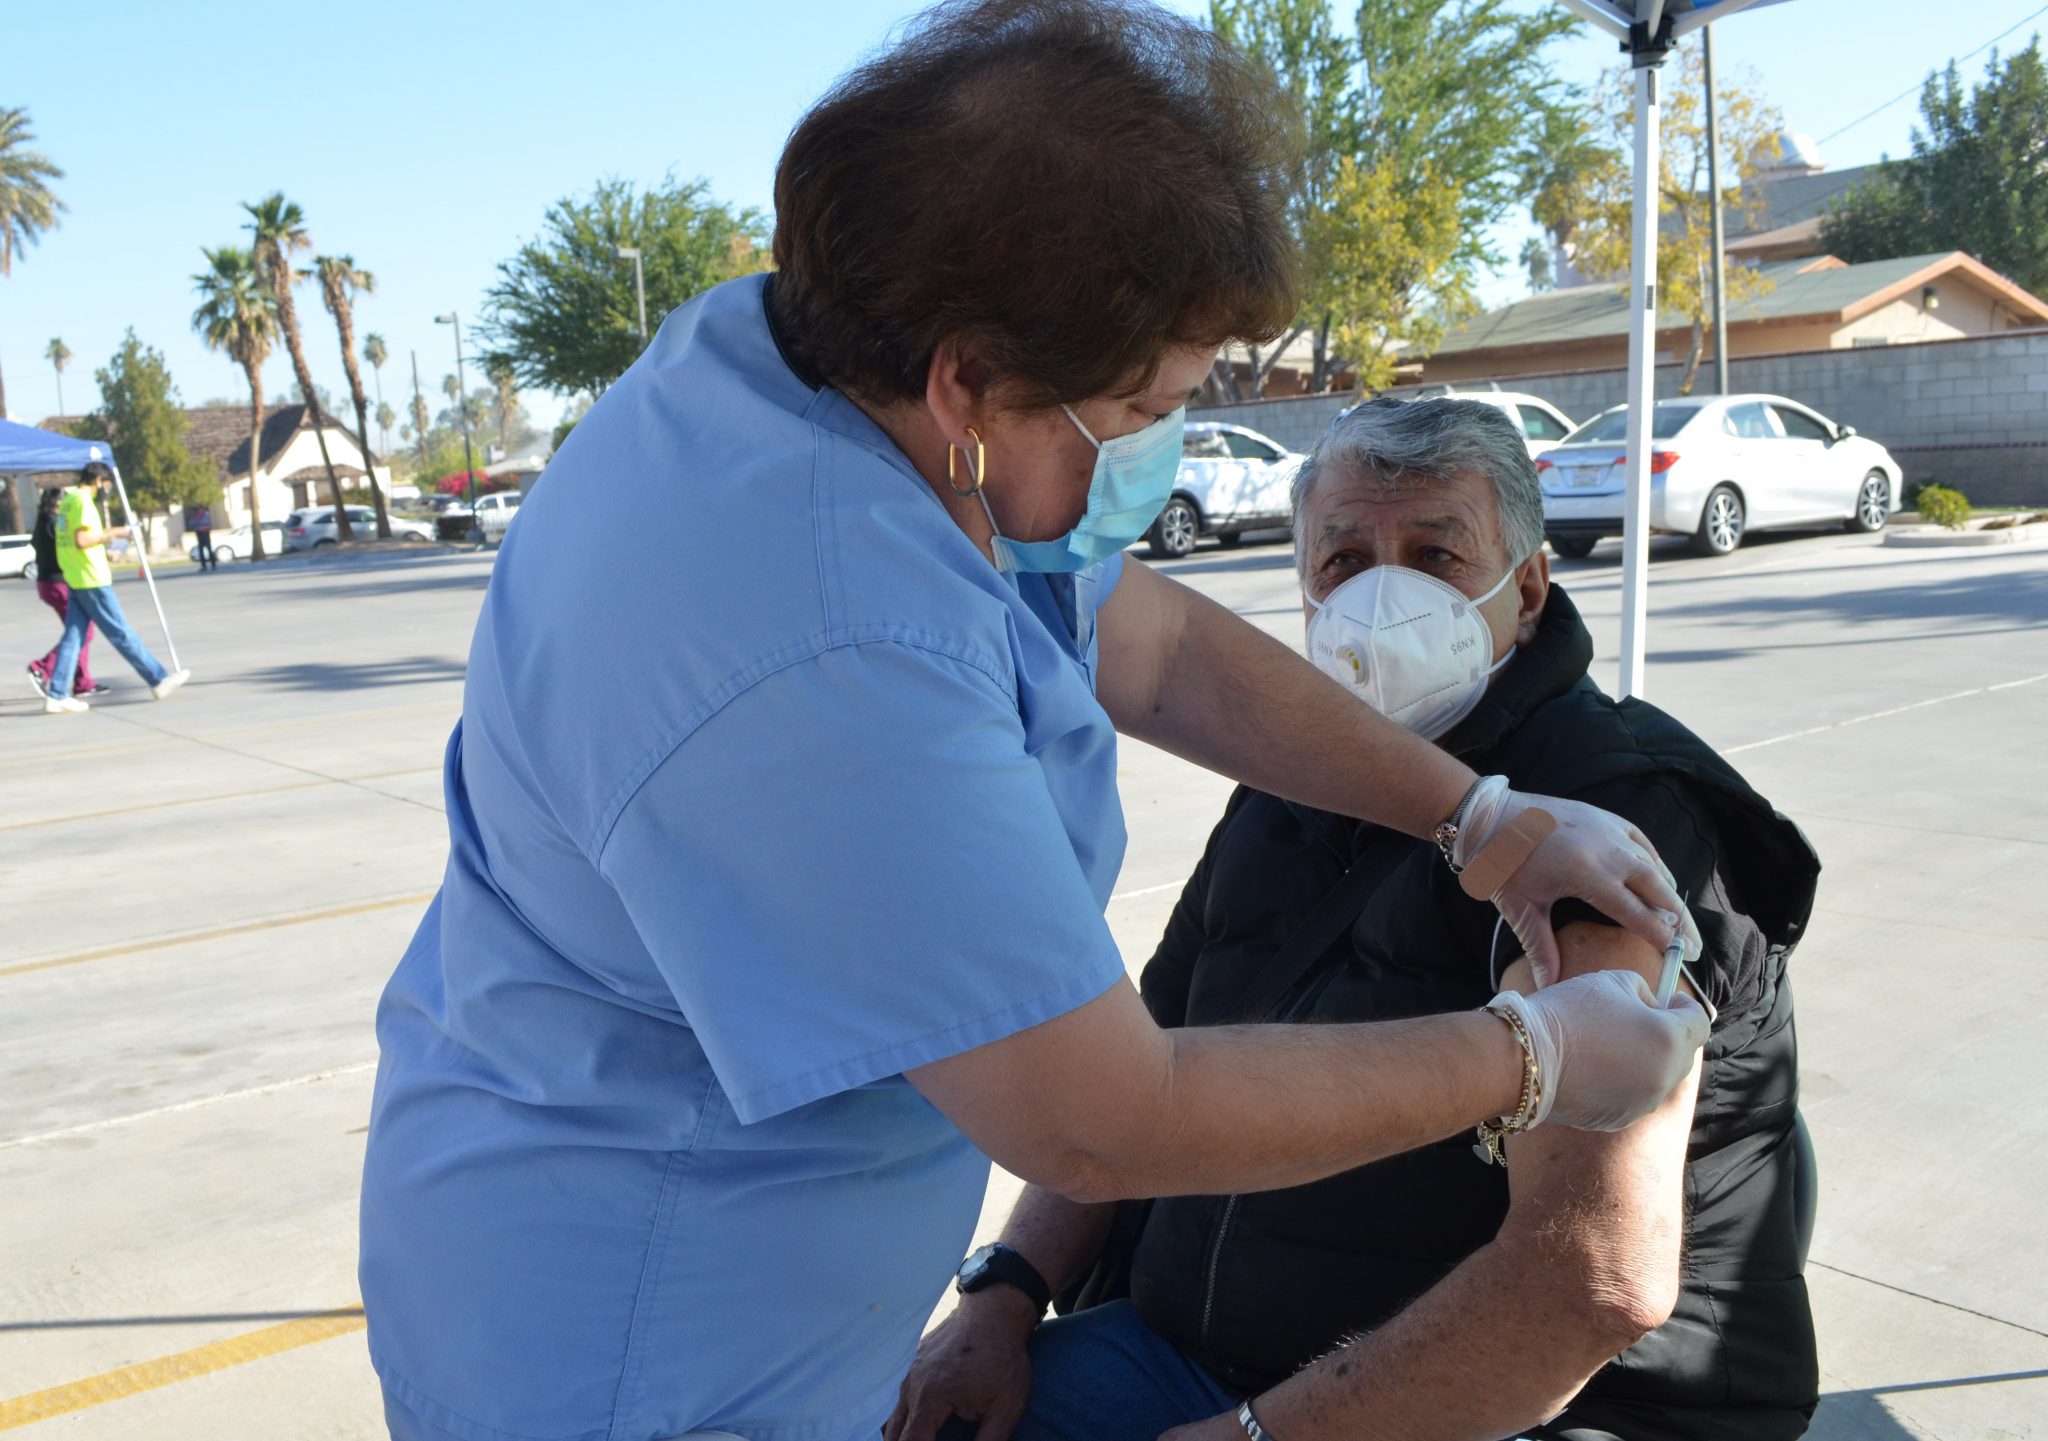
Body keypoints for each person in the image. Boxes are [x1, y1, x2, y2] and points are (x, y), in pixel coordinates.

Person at [357, 7, 1708, 1440]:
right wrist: (1534, 1053)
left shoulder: (849, 385)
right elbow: (1100, 1117)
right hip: (644, 1338)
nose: (1157, 448)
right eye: (1137, 406)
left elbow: (1158, 645)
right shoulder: (821, 639)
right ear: (972, 382)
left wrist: (1474, 817)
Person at [894, 399, 1821, 1441]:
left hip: (1507, 1406)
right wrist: (1003, 1292)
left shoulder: (1612, 826)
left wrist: (1256, 1436)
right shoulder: (1284, 792)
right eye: (1341, 562)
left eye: (1432, 552)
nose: (1383, 595)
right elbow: (1134, 1074)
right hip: (1188, 1354)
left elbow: (1587, 1279)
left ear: (1525, 586)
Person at [43, 461, 189, 715]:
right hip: (92, 579)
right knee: (120, 632)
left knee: (73, 637)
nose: (106, 490)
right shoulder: (84, 503)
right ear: (99, 481)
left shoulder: (68, 501)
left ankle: (56, 694)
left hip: (77, 576)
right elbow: (82, 539)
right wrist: (113, 533)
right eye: (106, 484)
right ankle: (157, 678)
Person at [25, 484, 107, 700]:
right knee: (81, 632)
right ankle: (42, 668)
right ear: (58, 504)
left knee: (79, 631)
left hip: (48, 583)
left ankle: (82, 682)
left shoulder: (43, 522)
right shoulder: (55, 524)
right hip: (57, 583)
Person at [186, 500, 217, 572]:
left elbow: (206, 523)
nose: (197, 510)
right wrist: (195, 519)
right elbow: (191, 523)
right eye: (196, 509)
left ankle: (213, 564)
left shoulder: (206, 514)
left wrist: (198, 524)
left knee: (209, 549)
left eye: (198, 508)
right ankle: (204, 566)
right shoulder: (195, 516)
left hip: (205, 533)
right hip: (199, 533)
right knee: (201, 550)